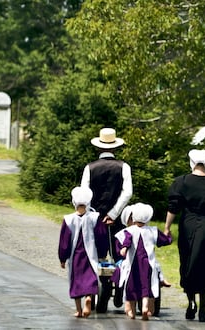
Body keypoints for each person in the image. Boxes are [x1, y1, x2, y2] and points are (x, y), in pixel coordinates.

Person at [164, 149, 205, 322]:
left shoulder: (181, 182)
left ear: (191, 163)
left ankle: (191, 301)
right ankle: (203, 310)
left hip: (188, 226)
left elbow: (173, 207)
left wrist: (167, 227)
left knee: (188, 262)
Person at [81, 127, 133, 312]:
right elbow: (128, 193)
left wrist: (91, 214)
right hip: (116, 218)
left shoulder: (90, 168)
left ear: (98, 148)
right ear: (115, 148)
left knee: (96, 253)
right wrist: (114, 213)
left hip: (95, 217)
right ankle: (119, 285)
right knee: (119, 251)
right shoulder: (124, 166)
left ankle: (101, 286)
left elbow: (84, 194)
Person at [111, 204, 171, 317]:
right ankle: (145, 307)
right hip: (147, 264)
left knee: (131, 286)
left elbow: (126, 241)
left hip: (131, 265)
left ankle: (131, 311)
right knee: (146, 285)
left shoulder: (128, 231)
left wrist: (123, 248)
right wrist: (168, 236)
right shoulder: (153, 231)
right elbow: (164, 241)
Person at [58, 186, 107, 318]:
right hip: (90, 255)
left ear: (74, 202)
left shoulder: (68, 219)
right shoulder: (95, 217)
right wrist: (102, 253)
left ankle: (79, 310)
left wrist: (63, 258)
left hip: (76, 256)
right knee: (90, 278)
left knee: (76, 280)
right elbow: (101, 236)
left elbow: (64, 241)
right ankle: (88, 298)